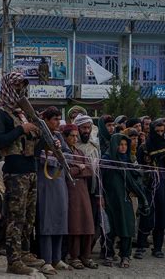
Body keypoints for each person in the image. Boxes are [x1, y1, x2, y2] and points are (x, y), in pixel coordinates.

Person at [0, 72, 44, 275]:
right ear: (7, 87)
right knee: (16, 218)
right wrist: (22, 129)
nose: (20, 90)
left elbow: (33, 146)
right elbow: (0, 142)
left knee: (29, 217)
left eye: (22, 86)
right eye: (17, 86)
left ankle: (25, 253)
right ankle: (13, 259)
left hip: (30, 170)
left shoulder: (21, 113)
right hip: (15, 173)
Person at [101, 134, 149, 268]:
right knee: (109, 228)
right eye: (120, 144)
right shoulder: (106, 160)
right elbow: (100, 181)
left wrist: (136, 191)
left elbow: (136, 179)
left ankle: (125, 255)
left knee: (126, 226)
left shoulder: (128, 160)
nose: (123, 147)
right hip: (110, 199)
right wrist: (101, 197)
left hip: (126, 199)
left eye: (125, 145)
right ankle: (109, 254)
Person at [36, 107, 71, 275]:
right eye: (54, 119)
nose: (57, 122)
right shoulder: (39, 135)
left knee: (60, 220)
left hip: (60, 183)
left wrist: (59, 153)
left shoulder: (57, 136)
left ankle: (57, 258)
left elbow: (69, 155)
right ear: (47, 120)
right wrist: (56, 157)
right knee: (47, 222)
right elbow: (39, 156)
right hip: (45, 183)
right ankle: (46, 260)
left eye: (59, 118)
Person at [61, 125, 98, 270]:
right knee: (75, 226)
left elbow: (89, 170)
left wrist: (79, 169)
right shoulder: (64, 153)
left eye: (76, 136)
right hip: (71, 192)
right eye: (72, 136)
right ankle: (74, 256)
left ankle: (86, 256)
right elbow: (66, 171)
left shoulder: (80, 152)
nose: (75, 139)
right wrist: (79, 168)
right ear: (65, 137)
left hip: (84, 192)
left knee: (87, 224)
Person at [135, 119, 165, 259]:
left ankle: (157, 248)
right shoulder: (144, 148)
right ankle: (141, 246)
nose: (159, 133)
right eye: (157, 131)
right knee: (146, 214)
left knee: (162, 215)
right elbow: (139, 166)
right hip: (148, 184)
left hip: (162, 184)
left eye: (162, 131)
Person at [73, 114, 107, 263]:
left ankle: (86, 253)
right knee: (77, 223)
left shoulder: (94, 147)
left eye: (88, 128)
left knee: (93, 223)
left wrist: (100, 194)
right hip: (78, 191)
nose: (86, 131)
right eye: (83, 128)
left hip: (93, 191)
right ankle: (75, 254)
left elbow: (98, 172)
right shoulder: (74, 146)